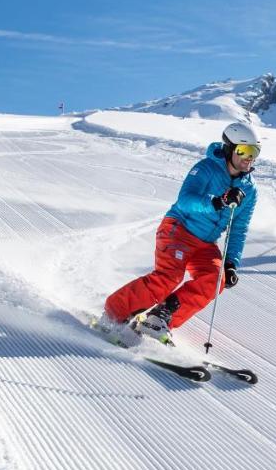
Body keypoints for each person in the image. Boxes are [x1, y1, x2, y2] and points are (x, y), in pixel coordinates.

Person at [100, 122, 261, 343]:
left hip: (205, 243)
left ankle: (158, 320)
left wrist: (231, 263)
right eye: (243, 151)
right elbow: (185, 200)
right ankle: (113, 312)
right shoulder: (206, 168)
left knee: (216, 279)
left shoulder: (250, 190)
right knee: (169, 277)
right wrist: (217, 201)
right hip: (178, 229)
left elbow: (239, 228)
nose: (248, 158)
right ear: (229, 149)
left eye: (254, 152)